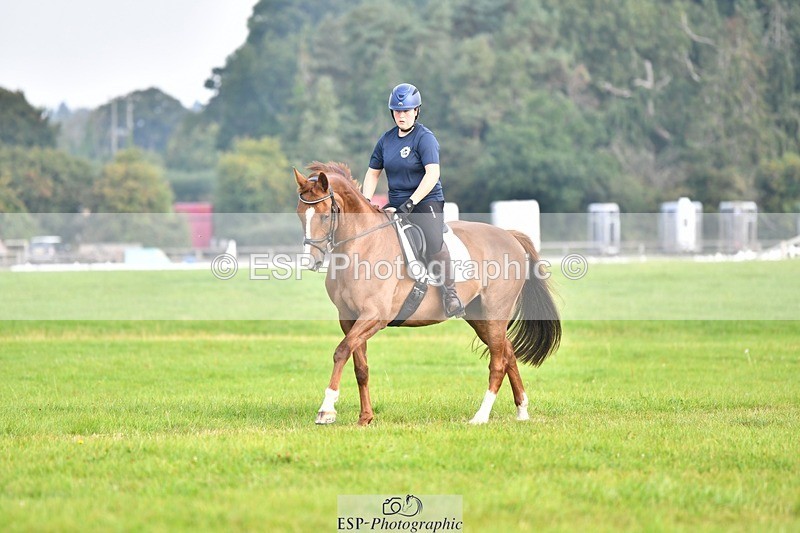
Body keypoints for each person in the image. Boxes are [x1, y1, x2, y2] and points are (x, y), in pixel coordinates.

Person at [362, 83, 465, 318]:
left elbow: (432, 174)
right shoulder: (386, 140)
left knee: (433, 241)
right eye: (397, 111)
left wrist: (411, 202)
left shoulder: (424, 138)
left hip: (426, 202)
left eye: (406, 111)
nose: (402, 115)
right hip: (396, 205)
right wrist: (366, 201)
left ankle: (451, 294)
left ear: (416, 111)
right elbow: (373, 173)